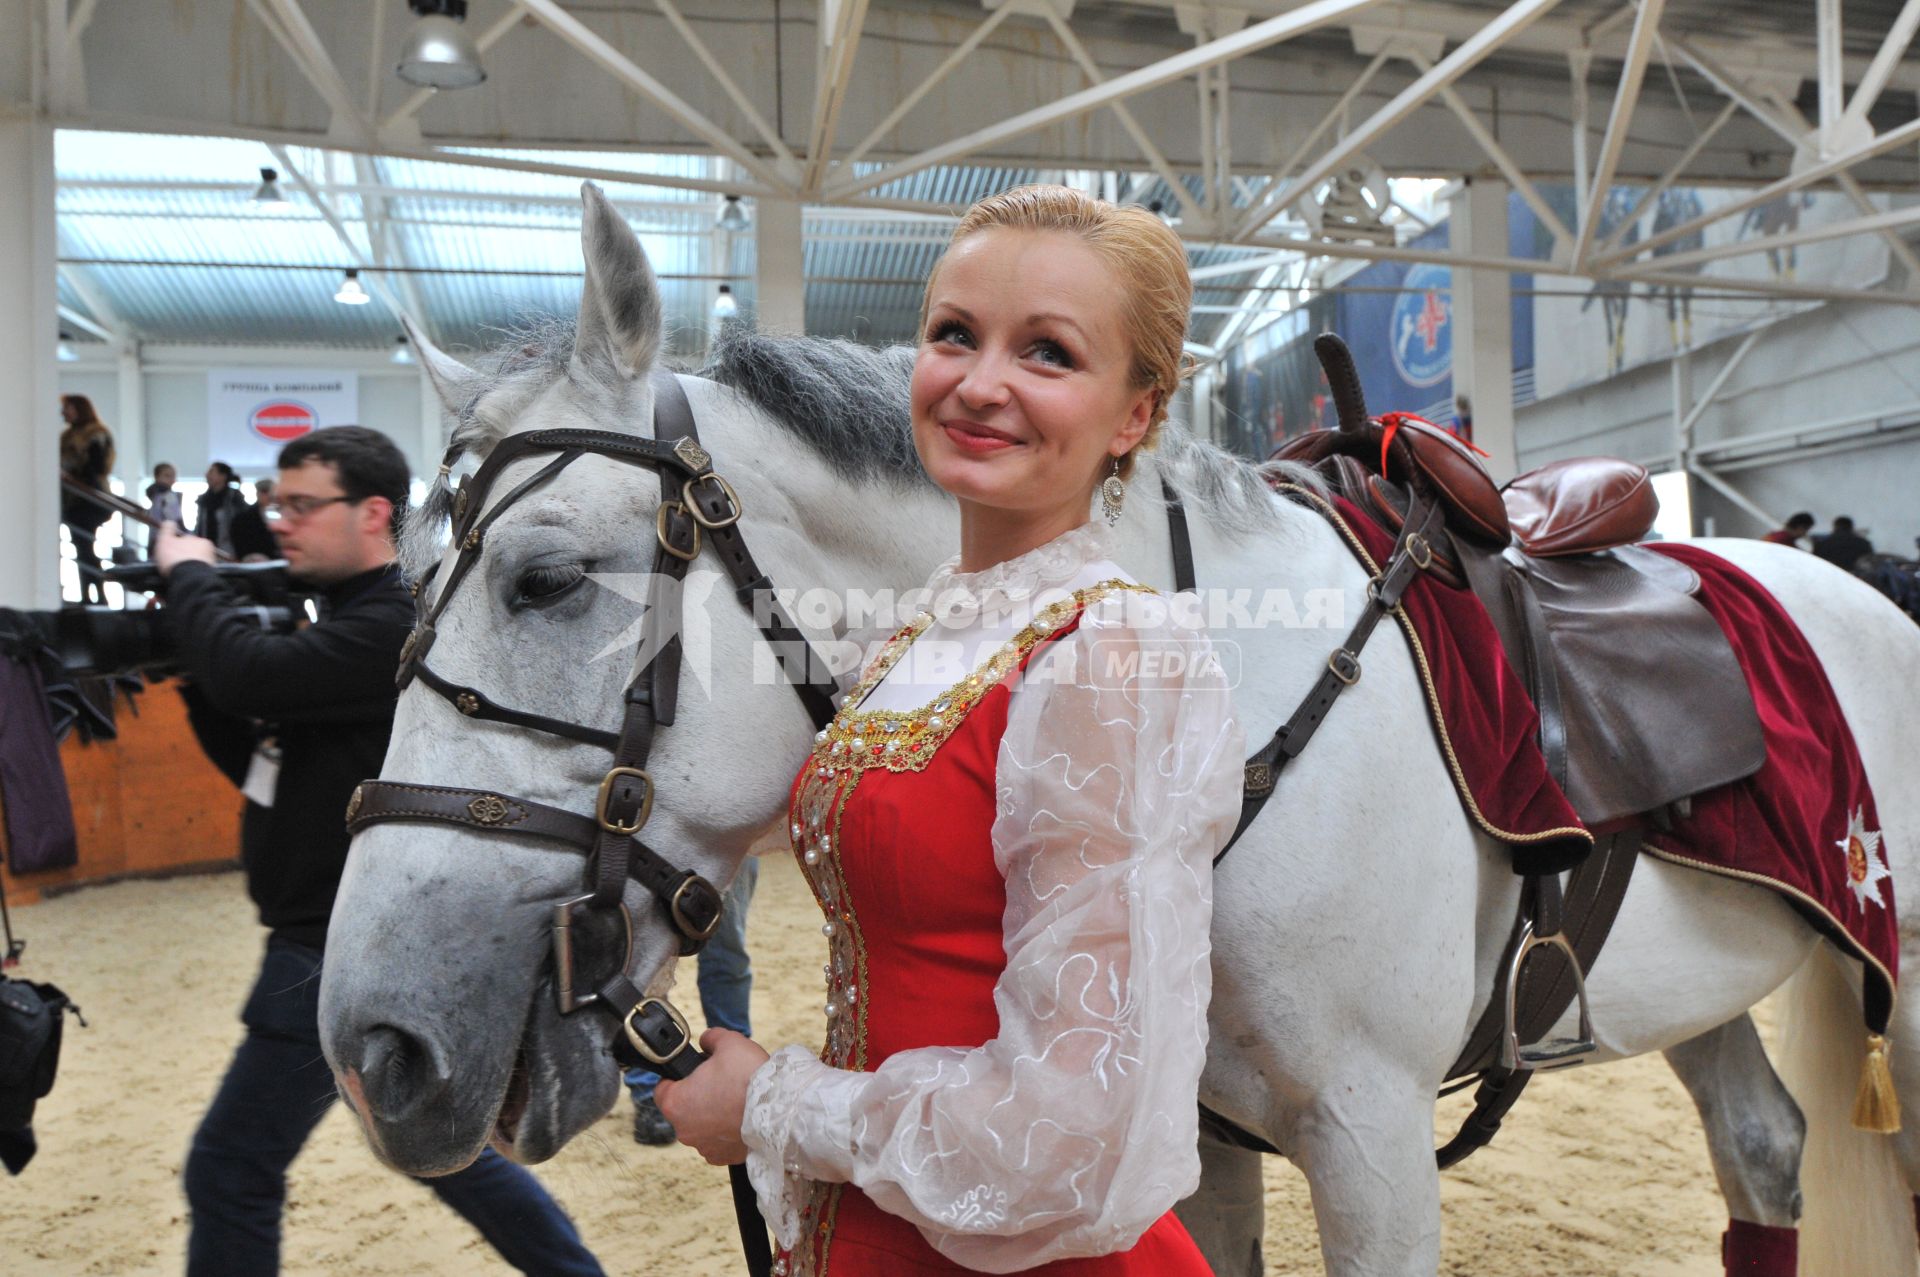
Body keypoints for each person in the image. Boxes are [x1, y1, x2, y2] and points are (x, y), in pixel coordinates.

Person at [656, 185, 1244, 1273]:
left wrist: (774, 1105)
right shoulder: (926, 623)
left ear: (1135, 415)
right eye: (954, 335)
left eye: (1049, 353)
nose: (980, 384)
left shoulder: (1110, 658)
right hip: (879, 1225)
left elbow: (1071, 1136)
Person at [154, 427, 605, 1277]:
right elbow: (259, 755)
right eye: (274, 504)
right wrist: (193, 662)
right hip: (327, 935)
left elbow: (251, 675)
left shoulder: (395, 625)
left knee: (232, 1165)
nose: (280, 522)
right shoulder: (349, 623)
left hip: (335, 947)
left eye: (299, 504)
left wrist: (188, 578)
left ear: (371, 514)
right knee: (451, 1156)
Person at [627, 861, 757, 1144]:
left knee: (728, 953)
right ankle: (648, 1091)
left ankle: (737, 1076)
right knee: (643, 961)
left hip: (725, 836)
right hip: (647, 832)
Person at [58, 394, 115, 604]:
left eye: (68, 408)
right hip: (73, 500)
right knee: (82, 547)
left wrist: (71, 472)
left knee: (84, 547)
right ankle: (92, 595)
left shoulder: (95, 434)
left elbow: (98, 466)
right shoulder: (67, 436)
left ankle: (95, 596)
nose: (63, 412)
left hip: (89, 498)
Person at [193, 461, 249, 559]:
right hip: (206, 553)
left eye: (211, 472)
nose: (207, 475)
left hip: (230, 554)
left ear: (223, 476)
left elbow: (243, 527)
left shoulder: (235, 498)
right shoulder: (204, 499)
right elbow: (200, 527)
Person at [145, 463, 183, 529]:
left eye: (173, 476)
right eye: (167, 476)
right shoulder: (168, 496)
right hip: (167, 533)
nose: (171, 479)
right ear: (156, 477)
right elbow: (175, 518)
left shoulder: (154, 494)